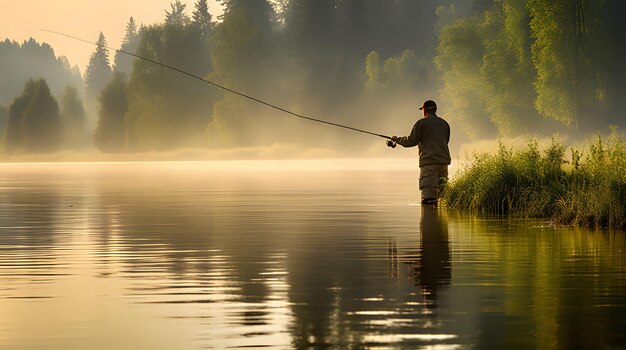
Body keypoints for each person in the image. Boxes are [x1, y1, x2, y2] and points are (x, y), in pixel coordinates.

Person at [390, 100, 451, 205]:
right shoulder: (444, 124)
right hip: (444, 163)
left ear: (425, 110)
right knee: (442, 196)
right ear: (435, 110)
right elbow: (446, 141)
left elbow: (411, 141)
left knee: (428, 199)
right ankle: (441, 219)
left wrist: (397, 140)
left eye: (422, 110)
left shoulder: (421, 123)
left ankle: (430, 219)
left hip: (429, 164)